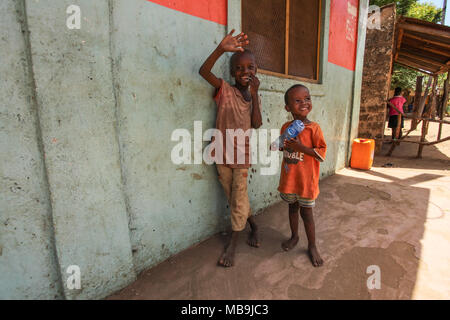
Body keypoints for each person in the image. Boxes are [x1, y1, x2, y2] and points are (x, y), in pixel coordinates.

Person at [199, 29, 263, 267]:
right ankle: (254, 226)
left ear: (256, 71)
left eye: (250, 67)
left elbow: (257, 123)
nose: (245, 72)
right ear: (232, 72)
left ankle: (233, 244)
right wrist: (220, 49)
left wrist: (255, 95)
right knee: (234, 197)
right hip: (221, 153)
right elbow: (203, 72)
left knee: (237, 199)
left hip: (242, 157)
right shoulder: (225, 90)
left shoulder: (253, 96)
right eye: (239, 68)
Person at [277, 84, 327, 267]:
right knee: (292, 208)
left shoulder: (314, 128)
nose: (304, 103)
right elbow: (280, 146)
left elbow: (321, 153)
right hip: (290, 180)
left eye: (307, 99)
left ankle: (312, 246)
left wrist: (301, 148)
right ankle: (294, 236)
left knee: (307, 213)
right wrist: (280, 144)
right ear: (287, 107)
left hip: (306, 182)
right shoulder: (286, 127)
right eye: (297, 101)